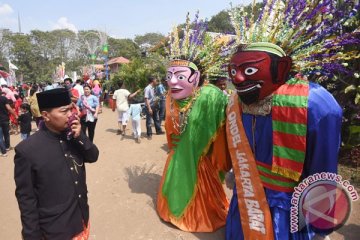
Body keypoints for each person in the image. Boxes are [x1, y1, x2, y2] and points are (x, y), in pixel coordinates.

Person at [224, 1, 357, 238]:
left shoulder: (313, 102)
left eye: (250, 70)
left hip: (284, 208)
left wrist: (320, 218)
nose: (239, 78)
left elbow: (323, 169)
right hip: (245, 194)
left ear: (282, 67)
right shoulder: (235, 103)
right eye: (233, 71)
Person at [156, 14, 234, 232]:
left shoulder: (211, 96)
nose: (172, 81)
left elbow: (221, 134)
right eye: (169, 75)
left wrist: (219, 161)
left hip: (203, 160)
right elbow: (170, 130)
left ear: (197, 77)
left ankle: (201, 214)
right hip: (177, 157)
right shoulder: (170, 97)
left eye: (180, 76)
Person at [14, 87, 99, 239]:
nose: (70, 115)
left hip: (81, 220)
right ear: (45, 115)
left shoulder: (73, 136)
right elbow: (26, 200)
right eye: (64, 111)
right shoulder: (27, 151)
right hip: (55, 230)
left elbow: (93, 156)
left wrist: (81, 137)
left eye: (71, 110)